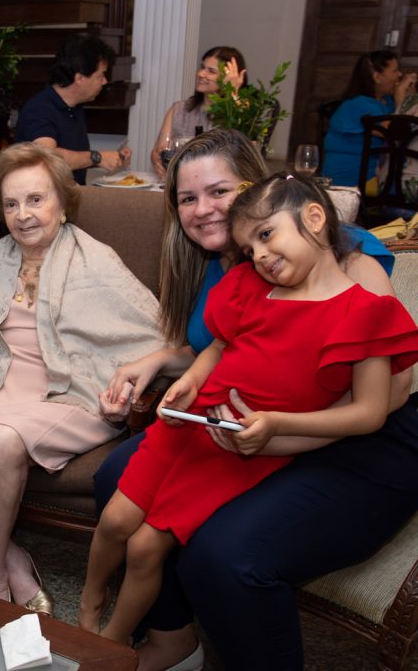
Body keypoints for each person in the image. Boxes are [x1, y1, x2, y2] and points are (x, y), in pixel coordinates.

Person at [95, 128, 418, 671]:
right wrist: (160, 361)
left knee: (223, 553)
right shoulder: (224, 262)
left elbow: (388, 394)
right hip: (250, 422)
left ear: (255, 188)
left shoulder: (341, 258)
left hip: (361, 441)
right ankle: (173, 638)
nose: (203, 209)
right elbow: (228, 346)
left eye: (219, 191)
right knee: (115, 476)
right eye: (188, 198)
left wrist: (279, 437)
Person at [0, 143, 164, 615]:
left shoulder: (95, 261)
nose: (23, 215)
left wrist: (126, 385)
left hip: (68, 393)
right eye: (11, 204)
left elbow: (151, 331)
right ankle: (14, 557)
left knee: (2, 438)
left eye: (35, 199)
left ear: (62, 202)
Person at [15, 34, 131, 184]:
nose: (104, 81)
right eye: (100, 76)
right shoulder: (38, 109)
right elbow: (48, 158)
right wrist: (97, 157)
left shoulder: (75, 107)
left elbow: (73, 159)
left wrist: (109, 158)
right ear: (79, 78)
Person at [322, 50, 417, 187]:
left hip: (377, 173)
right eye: (395, 71)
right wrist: (401, 99)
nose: (400, 75)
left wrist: (409, 97)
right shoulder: (358, 104)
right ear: (377, 77)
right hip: (354, 178)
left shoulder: (386, 101)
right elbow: (397, 133)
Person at [149, 46, 247, 178]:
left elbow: (243, 154)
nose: (201, 74)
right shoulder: (179, 109)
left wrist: (232, 93)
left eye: (211, 71)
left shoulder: (240, 111)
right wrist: (156, 159)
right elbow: (160, 151)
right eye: (202, 67)